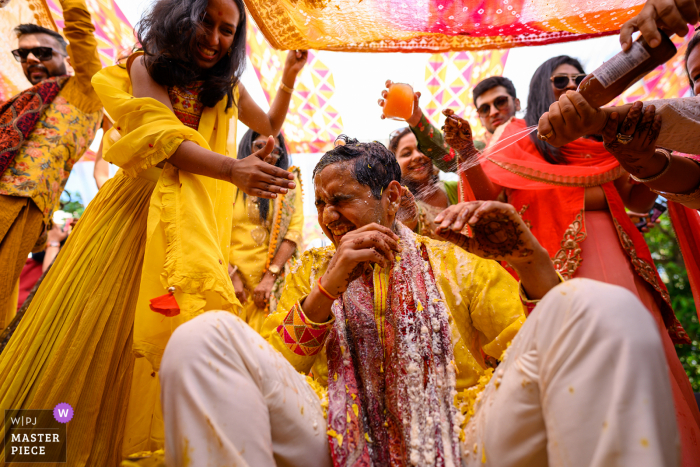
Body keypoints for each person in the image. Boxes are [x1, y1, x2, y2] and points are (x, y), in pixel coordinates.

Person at [159, 137, 678, 467]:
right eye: (319, 204)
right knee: (201, 340)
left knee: (600, 307)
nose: (328, 216)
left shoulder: (454, 261)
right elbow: (277, 368)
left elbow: (535, 354)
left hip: (462, 434)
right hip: (333, 435)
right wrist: (329, 286)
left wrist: (531, 263)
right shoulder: (310, 272)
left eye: (340, 200)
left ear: (389, 197)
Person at [0, 0, 307, 463]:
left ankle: (129, 453)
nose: (215, 38)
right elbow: (164, 139)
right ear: (180, 15)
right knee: (86, 341)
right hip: (128, 222)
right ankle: (36, 453)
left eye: (228, 30)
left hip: (190, 230)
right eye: (207, 21)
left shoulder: (226, 86)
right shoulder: (143, 66)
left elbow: (269, 125)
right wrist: (232, 169)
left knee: (163, 350)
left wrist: (288, 75)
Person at [443, 55, 700, 465]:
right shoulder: (518, 139)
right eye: (560, 79)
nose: (571, 84)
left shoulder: (603, 140)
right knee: (587, 368)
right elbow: (490, 201)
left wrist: (649, 152)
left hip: (625, 263)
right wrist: (463, 151)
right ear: (541, 89)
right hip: (560, 274)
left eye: (580, 78)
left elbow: (636, 199)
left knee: (647, 356)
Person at [0, 2, 102, 331]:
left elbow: (80, 30)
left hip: (21, 202)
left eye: (42, 52)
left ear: (65, 57)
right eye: (23, 55)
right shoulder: (22, 101)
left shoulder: (84, 90)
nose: (31, 60)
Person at [228, 129, 304, 333]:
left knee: (268, 349)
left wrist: (270, 277)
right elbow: (212, 229)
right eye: (260, 146)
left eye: (275, 149)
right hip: (229, 281)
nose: (268, 153)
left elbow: (294, 232)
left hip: (272, 285)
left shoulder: (288, 184)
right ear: (247, 146)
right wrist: (230, 274)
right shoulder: (227, 180)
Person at [387, 127, 458, 237]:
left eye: (421, 149)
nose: (417, 156)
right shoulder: (401, 206)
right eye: (406, 153)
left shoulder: (455, 188)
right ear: (394, 165)